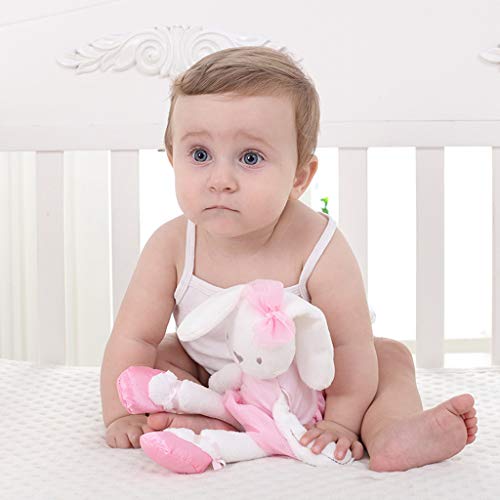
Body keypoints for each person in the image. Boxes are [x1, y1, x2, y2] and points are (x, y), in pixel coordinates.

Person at [100, 46, 477, 472]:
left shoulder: (319, 244)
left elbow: (348, 345)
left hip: (319, 387)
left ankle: (388, 430)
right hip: (219, 382)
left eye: (250, 158)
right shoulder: (171, 245)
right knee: (163, 354)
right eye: (200, 155)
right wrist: (120, 414)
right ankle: (219, 419)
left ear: (300, 177)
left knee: (388, 357)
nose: (220, 180)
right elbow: (134, 338)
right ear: (173, 159)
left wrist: (340, 420)